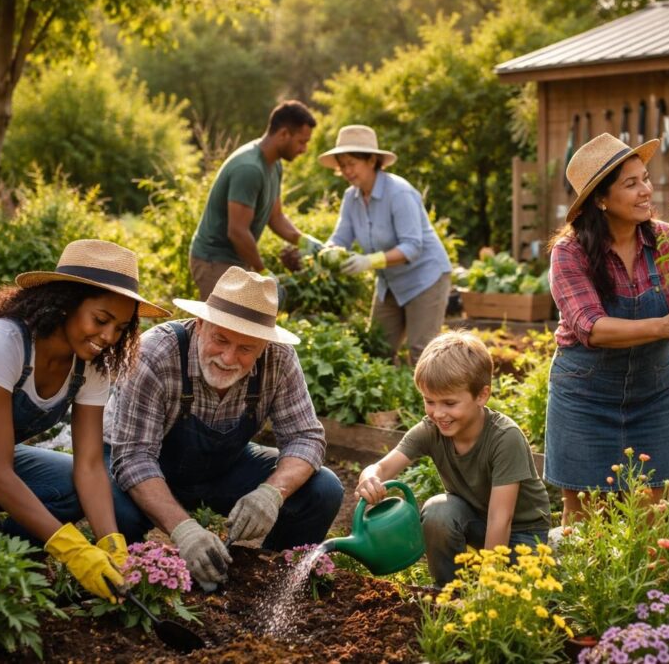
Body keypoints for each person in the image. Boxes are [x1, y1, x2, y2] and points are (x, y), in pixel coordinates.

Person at [0, 239, 170, 601]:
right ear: (65, 303)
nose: (108, 337)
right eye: (101, 320)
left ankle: (4, 543)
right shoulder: (1, 343)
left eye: (120, 328)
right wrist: (71, 549)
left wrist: (110, 543)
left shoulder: (91, 366)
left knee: (73, 486)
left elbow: (88, 466)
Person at [106, 266, 344, 589]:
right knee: (119, 512)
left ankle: (268, 586)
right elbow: (133, 457)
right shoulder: (155, 354)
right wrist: (184, 530)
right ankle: (135, 586)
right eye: (221, 339)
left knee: (322, 490)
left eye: (246, 348)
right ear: (201, 324)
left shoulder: (279, 359)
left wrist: (271, 494)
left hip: (219, 470)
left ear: (264, 345)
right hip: (143, 468)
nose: (228, 357)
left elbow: (306, 437)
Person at [543, 132, 669, 524]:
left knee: (649, 512)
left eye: (646, 179)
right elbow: (593, 328)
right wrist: (664, 325)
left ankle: (648, 587)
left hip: (653, 394)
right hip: (585, 395)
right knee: (584, 513)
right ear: (601, 199)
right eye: (631, 184)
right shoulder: (570, 253)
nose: (646, 191)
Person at [356, 331, 551, 587]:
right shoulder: (431, 430)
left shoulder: (505, 438)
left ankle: (483, 585)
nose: (438, 413)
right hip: (479, 524)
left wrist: (488, 586)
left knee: (516, 598)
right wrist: (369, 477)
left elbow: (500, 519)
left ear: (482, 395)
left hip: (524, 534)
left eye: (449, 403)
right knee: (439, 511)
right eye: (429, 401)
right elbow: (382, 466)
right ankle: (445, 591)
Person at [317, 125, 452, 363]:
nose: (347, 170)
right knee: (377, 350)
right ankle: (391, 400)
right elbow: (340, 238)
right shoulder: (351, 198)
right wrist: (326, 253)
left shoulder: (399, 193)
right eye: (342, 165)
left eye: (352, 163)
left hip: (425, 279)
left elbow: (412, 246)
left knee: (422, 354)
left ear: (371, 160)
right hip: (390, 283)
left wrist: (368, 261)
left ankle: (425, 400)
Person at [188, 100, 324, 300]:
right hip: (213, 261)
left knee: (239, 327)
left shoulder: (274, 166)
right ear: (284, 134)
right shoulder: (250, 169)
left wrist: (305, 241)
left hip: (236, 259)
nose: (304, 149)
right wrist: (263, 273)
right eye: (302, 141)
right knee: (219, 328)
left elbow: (276, 217)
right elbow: (237, 231)